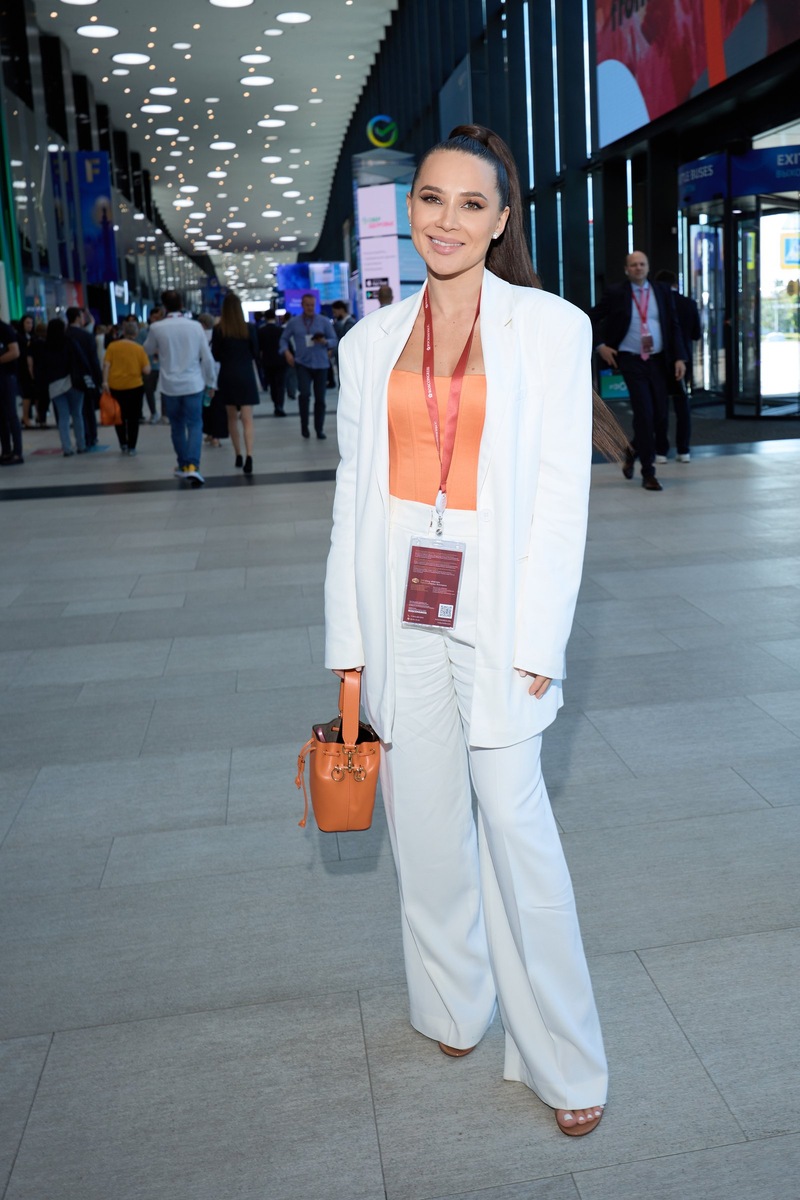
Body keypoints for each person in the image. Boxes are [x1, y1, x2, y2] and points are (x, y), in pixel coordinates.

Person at [324, 124, 608, 1137]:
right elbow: (352, 497)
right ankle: (453, 1002)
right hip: (396, 596)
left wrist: (538, 643)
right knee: (424, 823)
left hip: (497, 601)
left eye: (469, 204)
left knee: (517, 830)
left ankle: (562, 1054)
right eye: (431, 199)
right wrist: (347, 649)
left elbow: (560, 499)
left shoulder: (550, 327)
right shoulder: (367, 343)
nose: (446, 220)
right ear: (412, 210)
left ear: (501, 220)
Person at [591, 251, 687, 491]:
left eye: (642, 264)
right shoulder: (616, 293)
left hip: (658, 361)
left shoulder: (661, 291)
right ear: (627, 269)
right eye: (633, 265)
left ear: (648, 267)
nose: (638, 268)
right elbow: (590, 317)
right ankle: (648, 473)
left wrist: (680, 358)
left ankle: (632, 450)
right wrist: (601, 346)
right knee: (644, 414)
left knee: (660, 416)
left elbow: (673, 325)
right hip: (631, 360)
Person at [144, 290, 217, 487]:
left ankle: (183, 465)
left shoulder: (157, 327)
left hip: (169, 386)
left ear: (163, 307)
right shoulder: (195, 327)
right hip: (193, 384)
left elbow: (147, 349)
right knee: (195, 424)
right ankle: (193, 465)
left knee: (177, 426)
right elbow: (207, 358)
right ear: (182, 304)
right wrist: (211, 382)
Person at [654, 269, 700, 463]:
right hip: (684, 360)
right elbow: (696, 334)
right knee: (682, 407)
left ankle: (661, 452)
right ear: (676, 284)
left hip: (661, 361)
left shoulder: (656, 304)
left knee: (660, 407)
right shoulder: (689, 303)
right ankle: (684, 450)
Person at [212, 293, 260, 474]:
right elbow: (255, 352)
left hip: (227, 375)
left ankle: (238, 454)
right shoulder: (249, 328)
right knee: (247, 419)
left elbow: (215, 355)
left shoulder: (219, 330)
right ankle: (250, 455)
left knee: (232, 418)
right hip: (246, 375)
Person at [279, 294, 336, 439]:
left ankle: (319, 429)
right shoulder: (294, 322)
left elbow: (334, 339)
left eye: (312, 305)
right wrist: (286, 353)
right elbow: (283, 339)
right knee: (304, 395)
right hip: (302, 363)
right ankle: (304, 426)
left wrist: (325, 342)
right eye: (307, 305)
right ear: (302, 305)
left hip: (321, 364)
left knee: (320, 398)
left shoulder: (323, 321)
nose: (310, 308)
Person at [102, 319, 151, 456]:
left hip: (116, 386)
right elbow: (146, 370)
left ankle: (123, 443)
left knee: (119, 416)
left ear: (123, 332)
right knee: (133, 417)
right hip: (135, 386)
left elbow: (106, 365)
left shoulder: (112, 346)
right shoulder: (139, 349)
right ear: (136, 334)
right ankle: (132, 447)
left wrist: (105, 382)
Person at [42, 318, 86, 456]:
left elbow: (42, 368)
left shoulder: (45, 346)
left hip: (55, 386)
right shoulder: (70, 342)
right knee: (77, 414)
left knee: (63, 417)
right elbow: (82, 360)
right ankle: (81, 445)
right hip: (73, 382)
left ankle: (67, 448)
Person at [65, 307, 104, 451]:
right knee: (87, 408)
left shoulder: (64, 335)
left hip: (66, 378)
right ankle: (91, 436)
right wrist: (99, 379)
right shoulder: (86, 336)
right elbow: (93, 360)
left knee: (73, 412)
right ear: (77, 318)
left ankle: (79, 439)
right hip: (85, 377)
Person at [198, 312, 226, 449]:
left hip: (202, 376)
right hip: (218, 374)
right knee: (217, 406)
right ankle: (216, 436)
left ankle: (209, 432)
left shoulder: (198, 336)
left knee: (206, 406)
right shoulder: (219, 335)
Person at [0, 318, 23, 465]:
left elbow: (15, 352)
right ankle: (6, 450)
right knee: (1, 417)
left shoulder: (4, 329)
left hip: (6, 376)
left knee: (11, 414)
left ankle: (17, 452)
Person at [257, 309, 287, 416]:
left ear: (265, 318)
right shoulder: (281, 330)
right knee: (281, 384)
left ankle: (276, 404)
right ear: (275, 317)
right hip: (281, 360)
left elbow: (259, 348)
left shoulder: (261, 331)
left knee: (272, 384)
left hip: (267, 361)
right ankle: (280, 405)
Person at [138, 308, 164, 424]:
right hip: (149, 366)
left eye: (159, 317)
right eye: (154, 317)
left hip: (164, 366)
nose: (156, 320)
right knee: (149, 390)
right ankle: (154, 413)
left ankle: (165, 414)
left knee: (165, 391)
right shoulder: (144, 332)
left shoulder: (165, 331)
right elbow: (139, 348)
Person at [15, 315, 35, 429]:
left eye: (31, 323)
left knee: (30, 394)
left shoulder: (31, 337)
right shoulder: (19, 337)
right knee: (26, 394)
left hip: (30, 369)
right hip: (23, 369)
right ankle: (26, 417)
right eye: (27, 323)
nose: (30, 325)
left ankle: (27, 416)